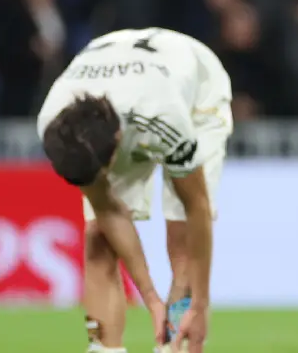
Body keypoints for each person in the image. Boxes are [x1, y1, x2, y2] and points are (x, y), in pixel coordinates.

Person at [37, 28, 233, 353]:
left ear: (116, 147)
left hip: (196, 87)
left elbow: (197, 206)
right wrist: (151, 298)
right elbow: (108, 210)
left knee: (182, 239)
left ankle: (176, 345)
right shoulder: (57, 126)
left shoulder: (164, 118)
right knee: (98, 237)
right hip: (120, 68)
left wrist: (200, 303)